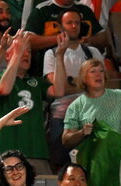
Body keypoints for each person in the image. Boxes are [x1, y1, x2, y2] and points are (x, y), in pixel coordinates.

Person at [43, 8, 104, 167]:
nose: (74, 26)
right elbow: (58, 89)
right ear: (61, 27)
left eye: (77, 22)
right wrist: (84, 83)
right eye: (69, 23)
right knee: (60, 161)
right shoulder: (51, 53)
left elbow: (100, 85)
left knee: (91, 161)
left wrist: (71, 81)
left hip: (90, 112)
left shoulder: (92, 52)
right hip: (61, 114)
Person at [0, 32, 54, 162]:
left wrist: (60, 55)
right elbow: (3, 90)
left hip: (36, 153)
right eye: (21, 50)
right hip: (5, 154)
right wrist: (17, 54)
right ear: (7, 55)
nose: (26, 54)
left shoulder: (37, 82)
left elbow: (58, 91)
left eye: (28, 51)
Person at [61, 59, 121, 149]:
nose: (98, 74)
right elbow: (65, 140)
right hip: (93, 157)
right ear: (84, 78)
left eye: (101, 71)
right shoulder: (75, 106)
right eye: (93, 71)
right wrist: (82, 132)